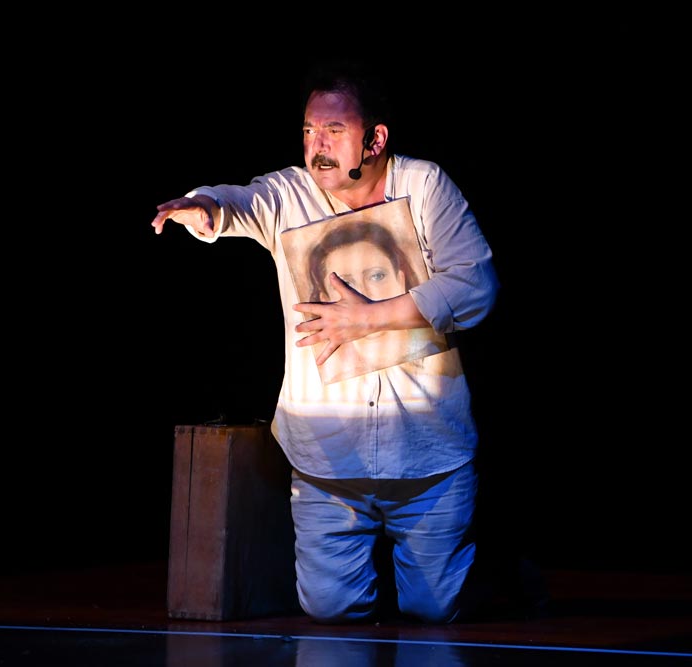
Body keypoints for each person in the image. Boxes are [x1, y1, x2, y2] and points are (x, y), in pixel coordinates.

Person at [150, 60, 499, 624]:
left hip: (426, 453)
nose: (318, 145)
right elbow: (242, 201)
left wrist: (371, 318)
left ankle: (498, 574)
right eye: (310, 130)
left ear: (375, 139)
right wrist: (206, 206)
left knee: (436, 609)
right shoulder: (291, 194)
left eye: (335, 130)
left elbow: (475, 286)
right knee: (330, 610)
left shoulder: (423, 186)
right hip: (328, 458)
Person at [302, 218, 446, 382]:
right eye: (345, 284)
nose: (362, 297)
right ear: (325, 301)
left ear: (401, 281)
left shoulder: (446, 372)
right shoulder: (331, 385)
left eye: (377, 276)